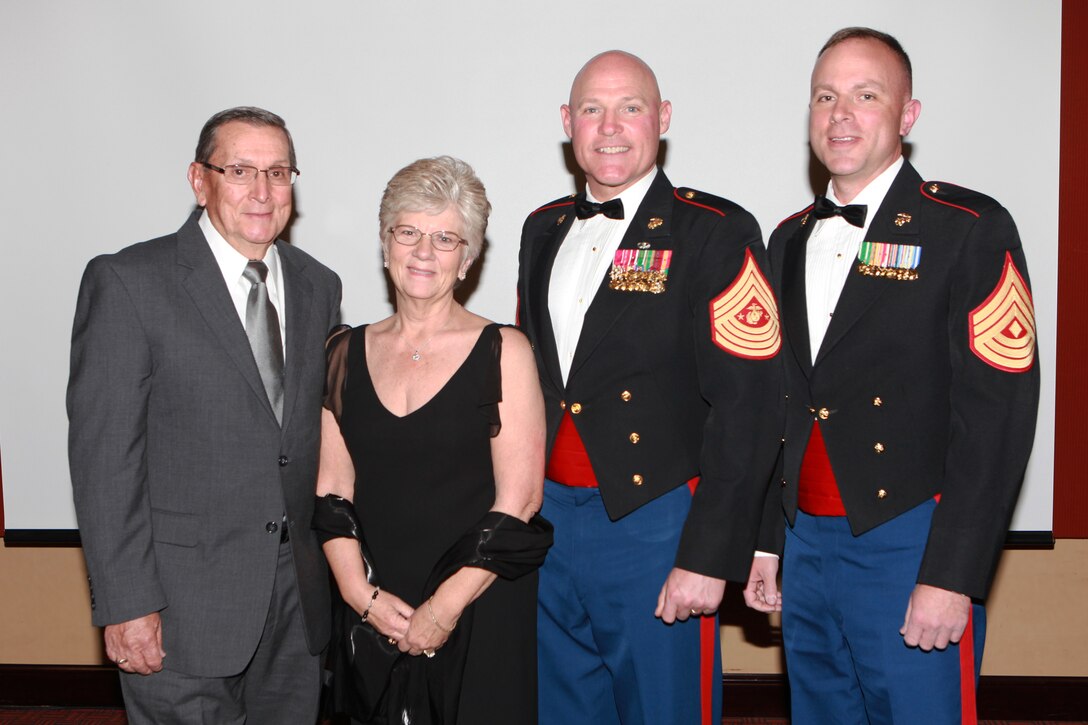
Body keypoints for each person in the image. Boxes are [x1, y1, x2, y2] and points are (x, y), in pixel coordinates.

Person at [744, 28, 1040, 725]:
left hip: (911, 541)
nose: (840, 114)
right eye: (825, 96)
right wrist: (767, 539)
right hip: (807, 546)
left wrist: (951, 575)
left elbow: (997, 420)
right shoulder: (787, 239)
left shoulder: (967, 228)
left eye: (865, 95)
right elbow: (780, 407)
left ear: (907, 115)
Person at [517, 50, 783, 724]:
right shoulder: (541, 228)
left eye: (630, 107)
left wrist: (706, 552)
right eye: (591, 109)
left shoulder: (714, 233)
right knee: (561, 708)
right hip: (547, 523)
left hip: (656, 523)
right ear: (566, 123)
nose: (609, 126)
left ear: (662, 119)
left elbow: (748, 406)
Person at [67, 106, 342, 724]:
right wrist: (125, 603)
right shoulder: (130, 282)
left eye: (278, 172)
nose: (263, 191)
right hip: (176, 610)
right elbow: (105, 459)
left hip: (297, 609)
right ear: (199, 179)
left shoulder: (318, 285)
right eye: (240, 170)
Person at [316, 156, 552, 725]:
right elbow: (331, 486)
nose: (424, 252)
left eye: (446, 238)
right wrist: (358, 595)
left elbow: (519, 501)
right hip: (374, 606)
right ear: (385, 242)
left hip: (478, 603)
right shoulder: (341, 353)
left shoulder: (506, 351)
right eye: (409, 232)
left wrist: (443, 609)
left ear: (468, 258)